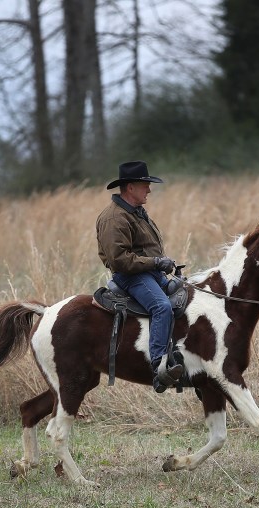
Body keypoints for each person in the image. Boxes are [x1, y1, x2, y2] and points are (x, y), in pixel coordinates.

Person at [96, 160, 183, 393]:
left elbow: (143, 249)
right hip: (131, 276)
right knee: (162, 306)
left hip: (148, 273)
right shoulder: (114, 218)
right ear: (130, 187)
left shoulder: (135, 212)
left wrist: (158, 263)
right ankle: (159, 368)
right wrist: (156, 262)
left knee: (185, 294)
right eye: (145, 185)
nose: (149, 189)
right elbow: (119, 260)